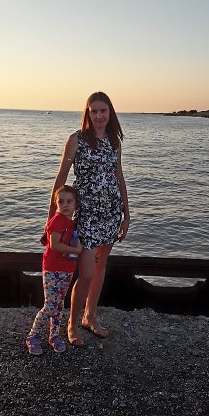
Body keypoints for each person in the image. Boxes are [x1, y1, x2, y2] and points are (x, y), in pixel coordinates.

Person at [46, 91, 130, 347]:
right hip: (88, 215)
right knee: (86, 273)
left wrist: (127, 214)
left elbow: (119, 177)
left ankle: (89, 317)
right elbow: (61, 179)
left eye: (103, 110)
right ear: (87, 113)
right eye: (94, 111)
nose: (99, 116)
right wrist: (51, 219)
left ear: (110, 112)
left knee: (101, 265)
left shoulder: (114, 141)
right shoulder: (77, 140)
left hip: (111, 212)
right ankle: (72, 323)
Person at [26, 185, 83, 355]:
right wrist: (77, 251)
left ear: (76, 204)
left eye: (69, 201)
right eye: (61, 201)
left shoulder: (72, 223)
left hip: (67, 269)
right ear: (56, 204)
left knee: (59, 305)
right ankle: (33, 335)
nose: (65, 205)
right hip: (53, 269)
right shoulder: (57, 221)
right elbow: (54, 245)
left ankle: (54, 335)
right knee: (50, 305)